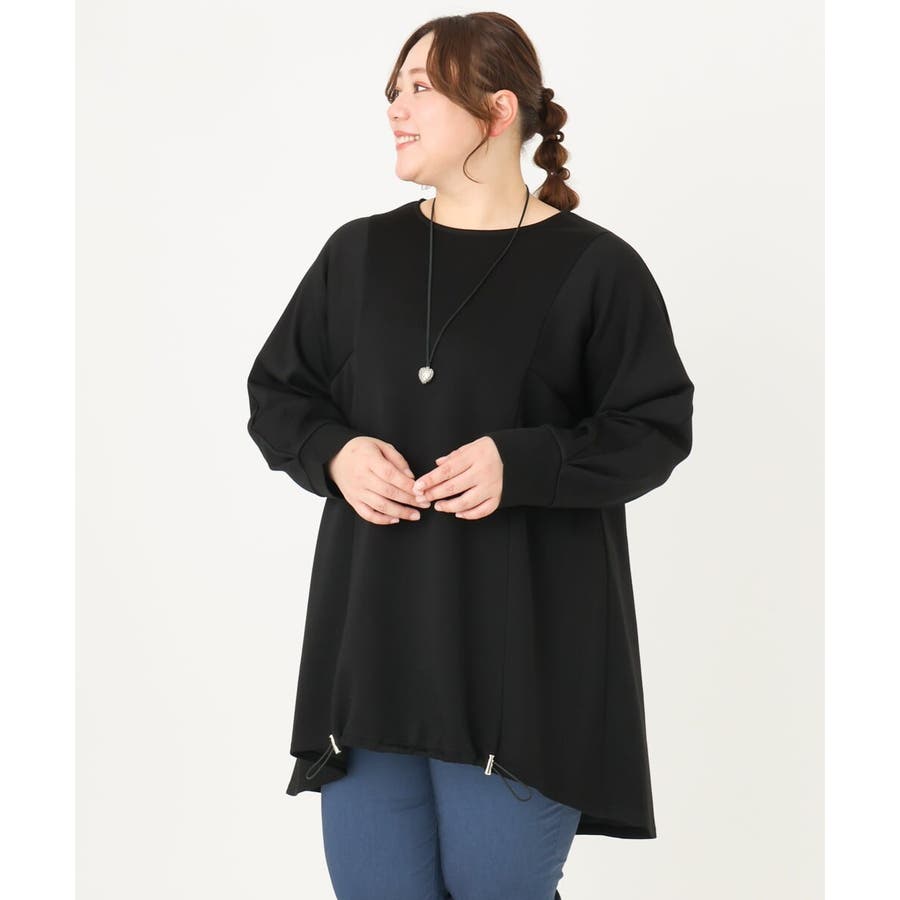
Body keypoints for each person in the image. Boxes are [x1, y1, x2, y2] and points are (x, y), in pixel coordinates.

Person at [246, 12, 694, 900]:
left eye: (420, 88)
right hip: (373, 654)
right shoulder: (358, 254)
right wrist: (334, 452)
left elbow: (654, 426)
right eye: (394, 90)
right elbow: (280, 393)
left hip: (522, 668)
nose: (395, 108)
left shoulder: (595, 268)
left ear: (496, 111)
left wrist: (523, 463)